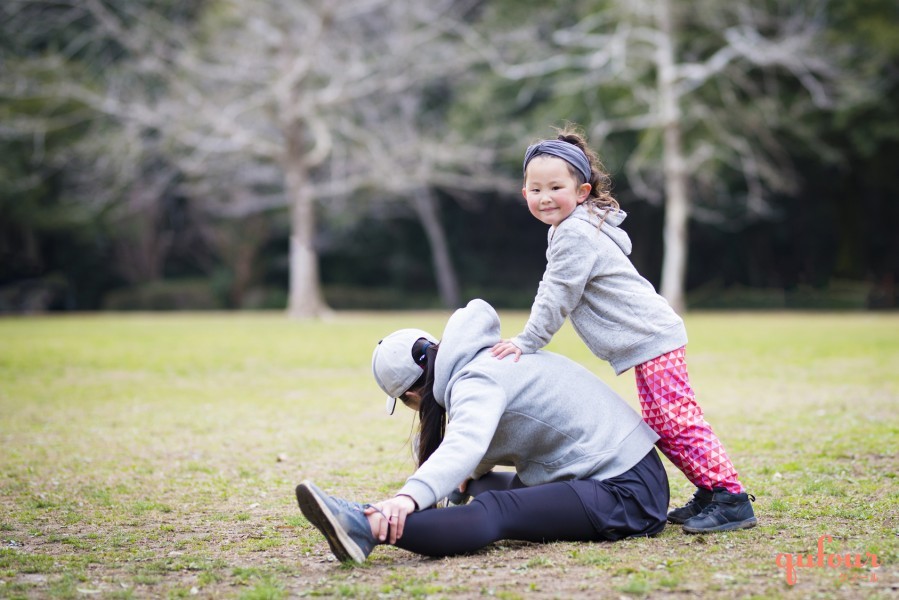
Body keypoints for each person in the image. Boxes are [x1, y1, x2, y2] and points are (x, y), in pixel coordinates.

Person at [489, 126, 756, 533]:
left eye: (555, 187)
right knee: (663, 425)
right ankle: (709, 489)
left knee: (676, 420)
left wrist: (528, 341)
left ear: (581, 191)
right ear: (524, 193)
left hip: (650, 337)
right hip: (645, 340)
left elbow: (556, 293)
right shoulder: (569, 228)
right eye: (535, 189)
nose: (545, 197)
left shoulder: (575, 233)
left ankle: (731, 498)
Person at [295, 299, 669, 563]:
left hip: (626, 494)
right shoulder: (482, 360)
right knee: (475, 485)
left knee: (498, 510)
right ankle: (371, 516)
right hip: (617, 473)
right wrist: (462, 479)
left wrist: (406, 499)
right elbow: (478, 455)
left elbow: (466, 444)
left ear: (411, 394)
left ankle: (369, 526)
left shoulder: (475, 381)